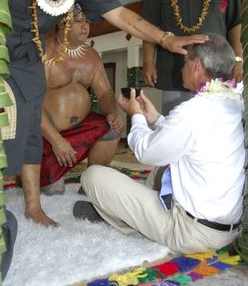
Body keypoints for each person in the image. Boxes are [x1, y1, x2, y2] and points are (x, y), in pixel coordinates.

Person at [3, 0, 208, 227]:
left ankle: (33, 207)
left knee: (31, 125)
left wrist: (166, 39)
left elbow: (121, 15)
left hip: (27, 54)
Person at [73, 33, 245, 254]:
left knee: (93, 176)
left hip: (190, 233)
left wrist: (136, 115)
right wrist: (154, 117)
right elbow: (189, 140)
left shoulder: (192, 112)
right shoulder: (233, 102)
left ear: (197, 66)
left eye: (184, 62)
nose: (180, 69)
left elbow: (146, 152)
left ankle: (124, 220)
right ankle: (125, 214)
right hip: (227, 231)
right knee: (162, 169)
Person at [141, 0, 243, 116]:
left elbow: (235, 24)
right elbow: (149, 26)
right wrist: (148, 61)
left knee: (213, 129)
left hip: (215, 73)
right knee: (176, 128)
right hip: (173, 73)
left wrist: (238, 60)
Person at [39, 3, 123, 196]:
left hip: (79, 128)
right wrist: (56, 140)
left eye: (87, 21)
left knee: (111, 128)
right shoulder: (44, 50)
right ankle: (48, 172)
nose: (85, 26)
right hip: (45, 133)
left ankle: (91, 184)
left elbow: (105, 93)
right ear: (61, 24)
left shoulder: (92, 57)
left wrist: (111, 112)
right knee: (53, 191)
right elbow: (30, 103)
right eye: (77, 21)